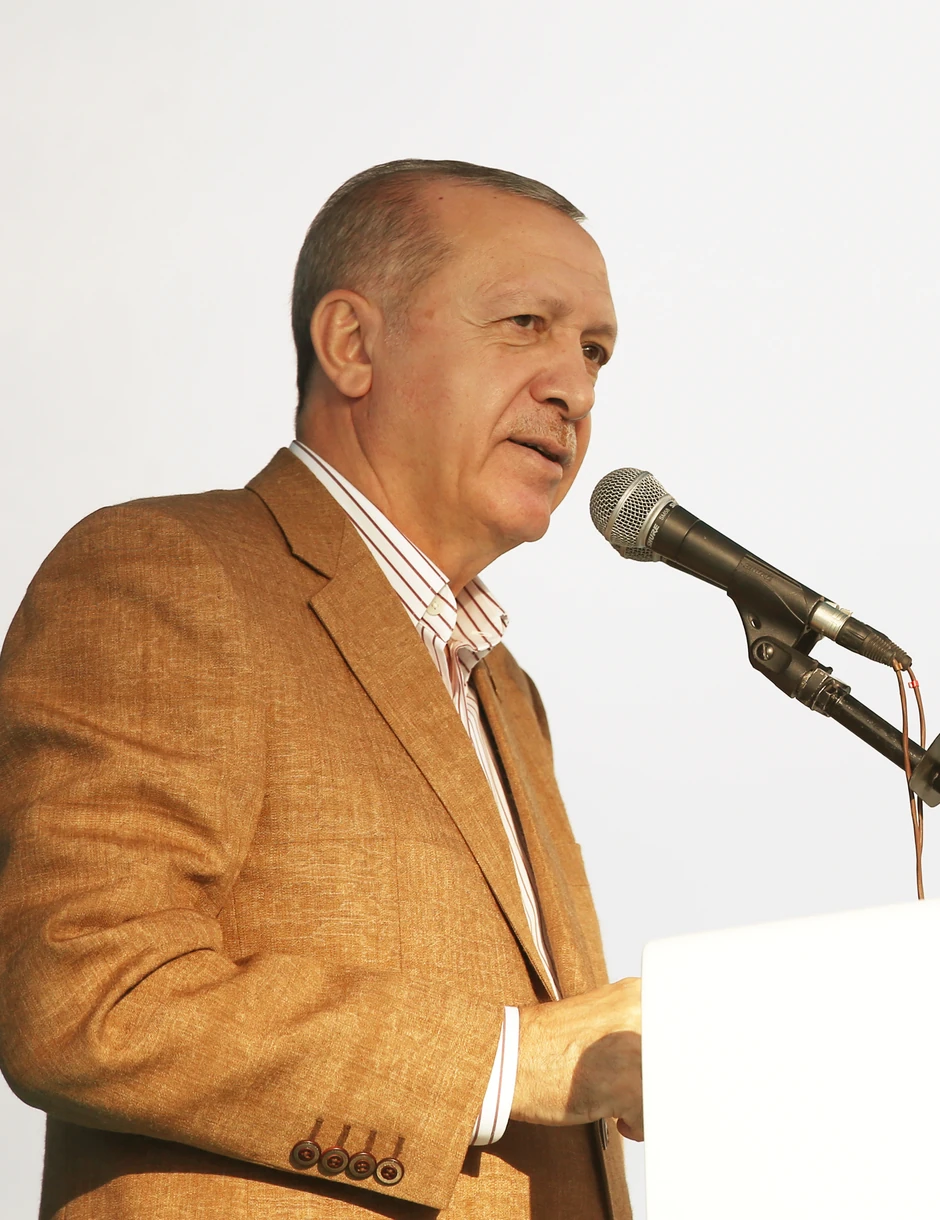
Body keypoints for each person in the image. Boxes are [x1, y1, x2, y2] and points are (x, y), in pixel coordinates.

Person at [0, 159, 642, 1220]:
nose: (571, 386)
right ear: (351, 343)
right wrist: (511, 1060)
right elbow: (86, 993)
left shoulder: (506, 691)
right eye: (525, 323)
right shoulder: (165, 571)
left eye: (594, 351)